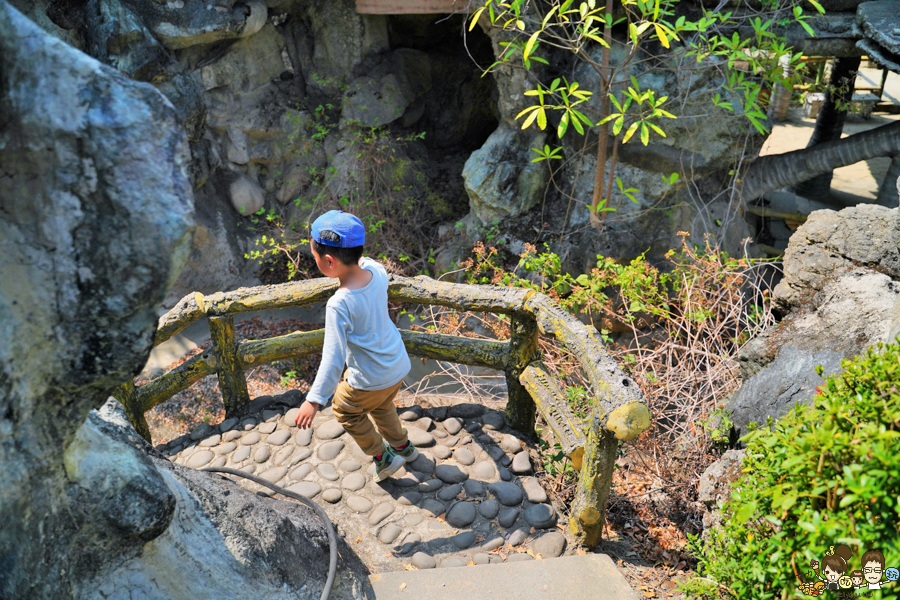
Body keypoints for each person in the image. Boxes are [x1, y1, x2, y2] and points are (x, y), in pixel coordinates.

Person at [293, 210, 417, 482]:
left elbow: (333, 359)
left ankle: (382, 456)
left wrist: (313, 400)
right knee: (382, 406)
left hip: (371, 377)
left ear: (328, 261)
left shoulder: (340, 303)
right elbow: (367, 261)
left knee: (345, 409)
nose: (315, 261)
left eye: (314, 257)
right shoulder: (378, 272)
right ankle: (403, 446)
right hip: (397, 365)